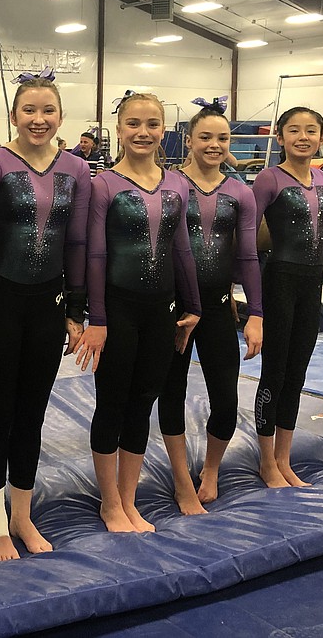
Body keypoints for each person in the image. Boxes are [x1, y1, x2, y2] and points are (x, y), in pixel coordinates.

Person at [0, 77, 90, 561]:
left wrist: (77, 310)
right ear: (14, 115)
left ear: (61, 117)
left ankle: (22, 513)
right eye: (28, 110)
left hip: (49, 304)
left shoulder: (77, 169)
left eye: (47, 111)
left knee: (33, 412)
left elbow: (78, 243)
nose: (38, 119)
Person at [76, 92, 201, 533]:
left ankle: (129, 500)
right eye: (133, 124)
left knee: (144, 401)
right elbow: (95, 254)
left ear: (164, 129)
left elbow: (182, 250)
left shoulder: (176, 184)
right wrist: (98, 319)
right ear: (120, 130)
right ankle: (109, 502)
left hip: (161, 309)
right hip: (119, 308)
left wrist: (194, 307)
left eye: (152, 124)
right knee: (113, 402)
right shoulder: (103, 184)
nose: (143, 132)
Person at [157, 107, 263, 514]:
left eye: (222, 138)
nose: (214, 145)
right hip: (175, 306)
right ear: (189, 140)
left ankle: (212, 469)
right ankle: (182, 478)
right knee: (172, 391)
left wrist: (256, 313)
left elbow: (249, 256)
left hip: (219, 305)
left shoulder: (239, 193)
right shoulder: (169, 184)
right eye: (205, 137)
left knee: (225, 396)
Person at [252, 106, 323, 488]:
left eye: (311, 130)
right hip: (279, 280)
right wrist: (244, 290)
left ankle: (283, 457)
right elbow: (248, 233)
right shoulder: (269, 179)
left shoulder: (322, 178)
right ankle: (266, 460)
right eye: (294, 131)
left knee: (297, 372)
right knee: (274, 372)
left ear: (321, 138)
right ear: (280, 138)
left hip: (311, 284)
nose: (303, 137)